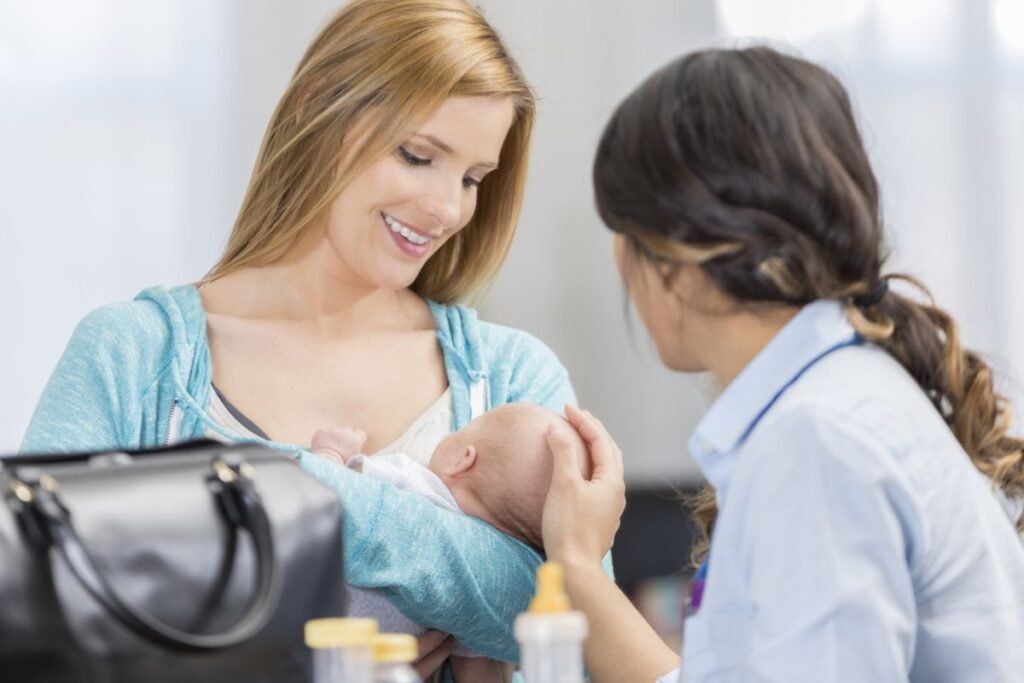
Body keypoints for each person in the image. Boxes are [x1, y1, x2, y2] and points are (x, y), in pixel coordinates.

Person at [19, 0, 597, 677]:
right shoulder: (131, 356)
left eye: (472, 179)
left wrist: (312, 493)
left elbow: (580, 626)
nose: (447, 209)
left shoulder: (512, 377)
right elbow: (34, 624)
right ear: (315, 109)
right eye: (417, 155)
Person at [541, 46, 1024, 682]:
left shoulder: (818, 443)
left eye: (623, 237)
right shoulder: (840, 403)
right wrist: (576, 564)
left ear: (678, 265)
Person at [311, 403, 587, 680]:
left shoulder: (413, 481)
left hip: (312, 626)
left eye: (464, 430)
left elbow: (327, 497)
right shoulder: (479, 591)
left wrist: (330, 453)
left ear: (462, 459)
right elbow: (478, 674)